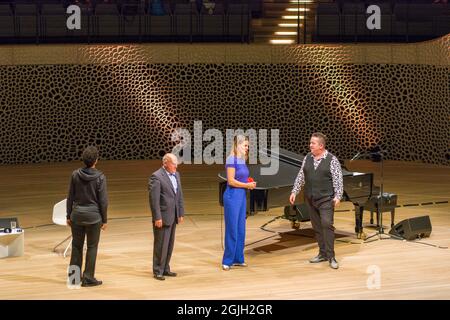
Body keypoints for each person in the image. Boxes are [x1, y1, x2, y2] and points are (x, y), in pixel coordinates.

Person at [289, 133, 343, 270]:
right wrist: (294, 191)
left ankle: (331, 256)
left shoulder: (332, 160)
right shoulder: (307, 157)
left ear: (321, 146)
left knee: (327, 225)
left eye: (313, 143)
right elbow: (301, 176)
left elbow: (338, 179)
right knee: (317, 227)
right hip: (311, 199)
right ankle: (322, 253)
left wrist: (338, 196)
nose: (310, 145)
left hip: (326, 199)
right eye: (310, 143)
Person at [66, 146, 108, 287]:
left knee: (76, 246)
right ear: (96, 160)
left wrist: (68, 215)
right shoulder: (100, 177)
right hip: (94, 218)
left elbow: (70, 197)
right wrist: (104, 219)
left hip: (77, 216)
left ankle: (74, 278)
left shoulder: (75, 174)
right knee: (92, 247)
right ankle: (88, 278)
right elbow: (103, 201)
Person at [222, 135, 256, 271]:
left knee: (241, 228)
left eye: (248, 146)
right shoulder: (231, 159)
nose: (247, 148)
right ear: (237, 145)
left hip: (241, 195)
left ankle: (238, 258)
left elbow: (241, 177)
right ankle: (227, 260)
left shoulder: (242, 160)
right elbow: (230, 181)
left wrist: (249, 182)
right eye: (245, 145)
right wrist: (247, 185)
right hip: (232, 196)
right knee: (232, 228)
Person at [149, 153, 185, 280]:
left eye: (176, 163)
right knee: (160, 245)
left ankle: (165, 268)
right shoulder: (156, 177)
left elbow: (179, 195)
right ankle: (158, 270)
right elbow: (154, 200)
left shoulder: (176, 175)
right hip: (163, 217)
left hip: (173, 215)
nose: (176, 166)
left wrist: (180, 212)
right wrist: (157, 217)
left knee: (169, 244)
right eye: (173, 163)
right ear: (165, 163)